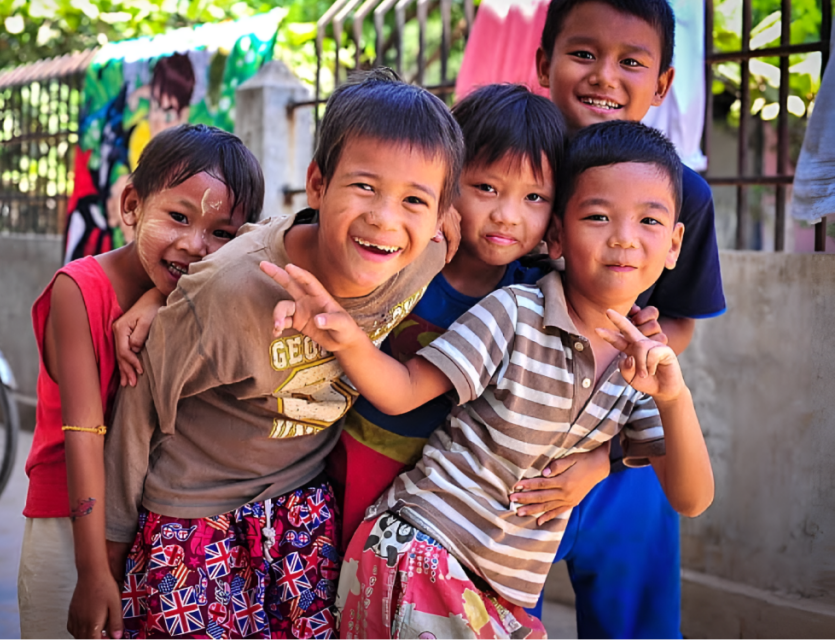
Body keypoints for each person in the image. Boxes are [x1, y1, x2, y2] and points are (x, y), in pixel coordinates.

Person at [264, 120, 715, 640]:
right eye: (597, 216)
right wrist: (347, 338)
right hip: (421, 551)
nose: (623, 238)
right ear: (558, 238)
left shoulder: (641, 367)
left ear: (676, 243)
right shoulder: (516, 312)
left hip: (498, 594)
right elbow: (404, 390)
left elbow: (691, 499)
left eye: (649, 221)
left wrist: (674, 397)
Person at [102, 67, 462, 639]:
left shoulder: (427, 251)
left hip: (302, 509)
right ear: (318, 184)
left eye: (415, 199)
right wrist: (106, 559)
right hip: (193, 513)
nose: (385, 218)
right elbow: (137, 411)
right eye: (364, 186)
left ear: (442, 214)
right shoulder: (228, 292)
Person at [527, 0, 726, 637]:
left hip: (616, 440)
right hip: (502, 432)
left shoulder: (682, 197)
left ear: (663, 83)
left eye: (631, 62)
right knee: (485, 610)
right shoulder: (508, 169)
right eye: (583, 53)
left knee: (635, 617)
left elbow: (680, 324)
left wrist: (607, 451)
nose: (604, 77)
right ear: (543, 62)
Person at [17, 124, 264, 640]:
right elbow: (84, 435)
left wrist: (159, 299)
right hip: (69, 523)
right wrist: (91, 573)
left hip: (151, 523)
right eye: (178, 217)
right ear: (131, 205)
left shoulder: (202, 297)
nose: (194, 245)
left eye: (221, 232)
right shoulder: (78, 290)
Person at [325, 84, 568, 551]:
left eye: (534, 197)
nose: (507, 215)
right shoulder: (399, 258)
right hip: (361, 457)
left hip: (453, 491)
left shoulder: (535, 293)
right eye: (486, 188)